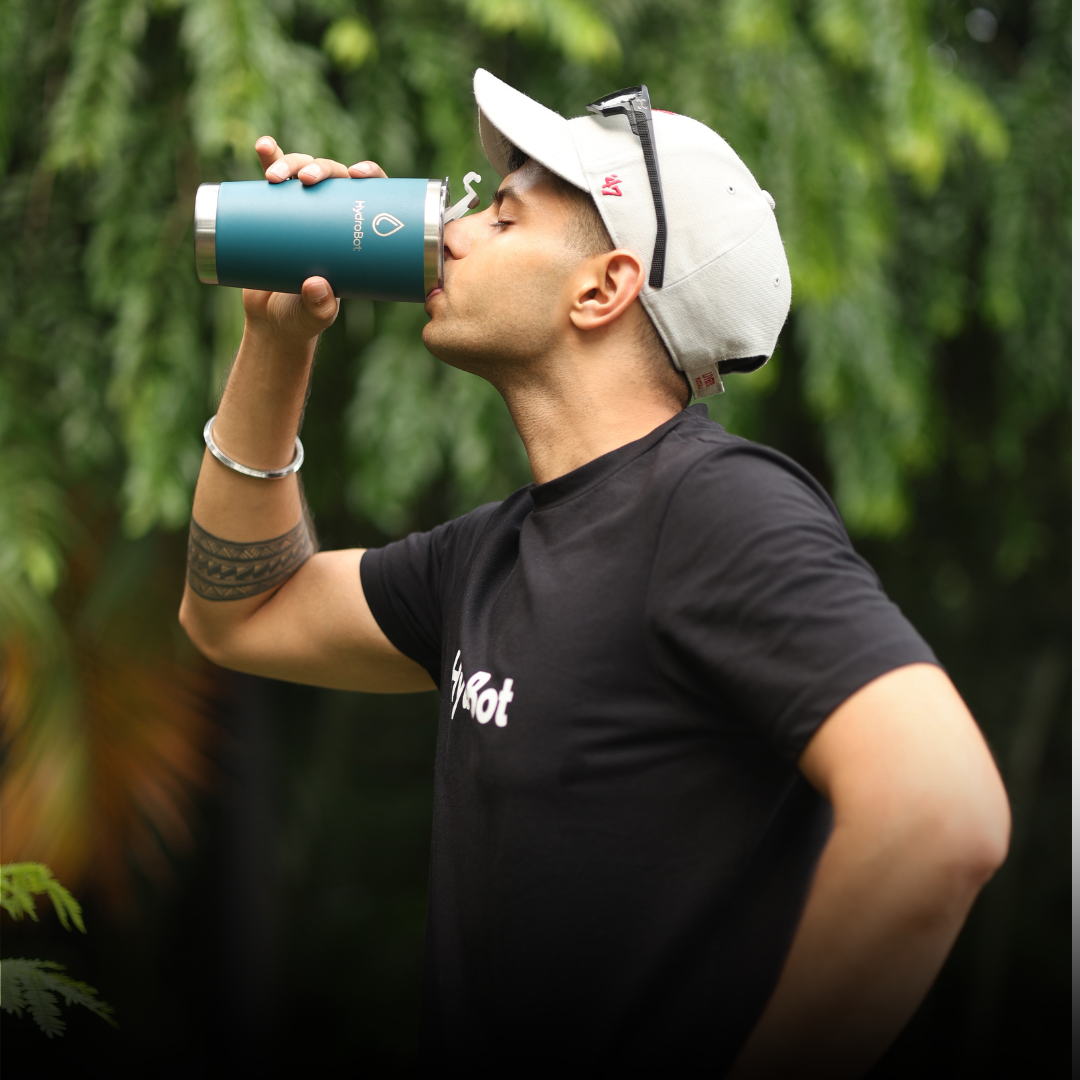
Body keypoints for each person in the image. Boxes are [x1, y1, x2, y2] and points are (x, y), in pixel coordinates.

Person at [179, 71, 1010, 1077]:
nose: (453, 229)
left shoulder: (716, 512)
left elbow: (941, 811)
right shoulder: (490, 555)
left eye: (504, 215)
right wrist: (275, 344)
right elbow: (241, 614)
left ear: (602, 288)